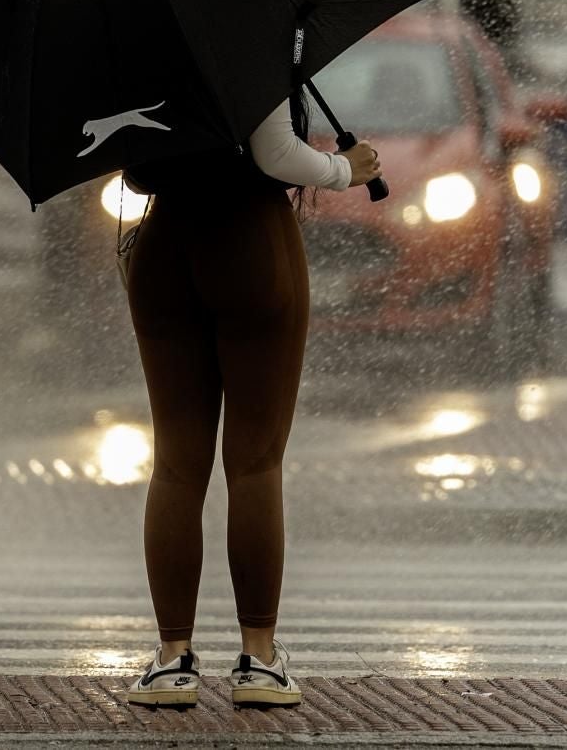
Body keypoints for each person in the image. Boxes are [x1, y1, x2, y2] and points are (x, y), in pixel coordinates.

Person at [121, 92, 380, 709]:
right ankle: (258, 658)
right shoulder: (242, 25)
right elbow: (274, 154)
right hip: (251, 241)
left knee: (178, 463)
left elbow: (131, 161)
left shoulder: (133, 35)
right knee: (255, 459)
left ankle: (171, 661)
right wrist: (349, 170)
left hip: (164, 247)